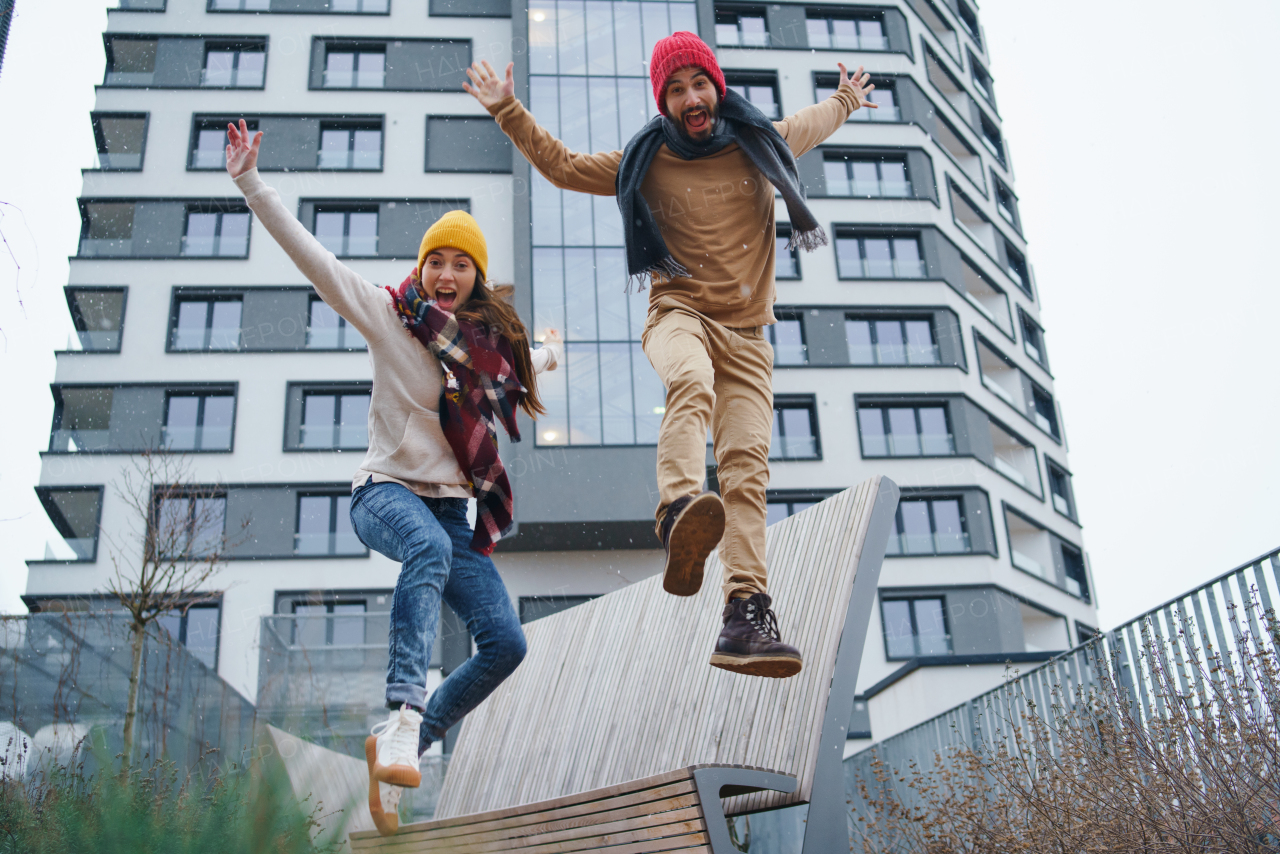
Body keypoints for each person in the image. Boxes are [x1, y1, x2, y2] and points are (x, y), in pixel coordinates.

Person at [465, 33, 876, 679]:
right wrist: (506, 109)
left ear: (716, 86)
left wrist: (848, 97)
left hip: (748, 338)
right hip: (678, 315)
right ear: (663, 101)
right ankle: (681, 507)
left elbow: (817, 120)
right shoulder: (646, 158)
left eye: (698, 84)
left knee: (747, 475)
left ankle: (745, 614)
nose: (691, 99)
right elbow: (565, 166)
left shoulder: (761, 140)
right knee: (690, 383)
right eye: (676, 90)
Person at [224, 120, 561, 835]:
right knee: (430, 552)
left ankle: (401, 745)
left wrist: (549, 357)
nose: (444, 274)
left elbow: (516, 381)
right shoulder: (389, 316)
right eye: (434, 261)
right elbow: (317, 260)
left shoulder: (483, 351)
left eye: (459, 265)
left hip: (452, 515)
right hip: (382, 494)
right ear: (422, 268)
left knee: (506, 643)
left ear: (475, 276)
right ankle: (405, 709)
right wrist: (252, 183)